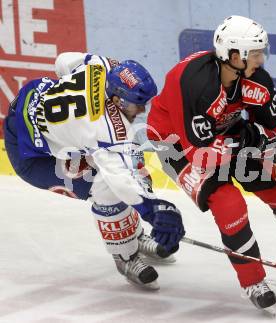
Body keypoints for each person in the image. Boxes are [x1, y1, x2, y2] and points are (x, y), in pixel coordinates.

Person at [146, 15, 276, 309]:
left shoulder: (254, 79)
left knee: (274, 180)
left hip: (221, 131)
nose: (261, 59)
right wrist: (247, 147)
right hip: (175, 143)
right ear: (233, 55)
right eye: (255, 53)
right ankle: (252, 280)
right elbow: (198, 151)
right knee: (229, 202)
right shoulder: (194, 83)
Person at [3, 52, 185, 290]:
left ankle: (135, 235)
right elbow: (121, 182)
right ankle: (125, 256)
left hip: (30, 100)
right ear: (118, 99)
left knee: (129, 172)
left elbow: (63, 61)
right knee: (104, 188)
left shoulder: (103, 66)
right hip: (31, 155)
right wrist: (153, 210)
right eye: (137, 104)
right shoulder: (103, 128)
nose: (141, 110)